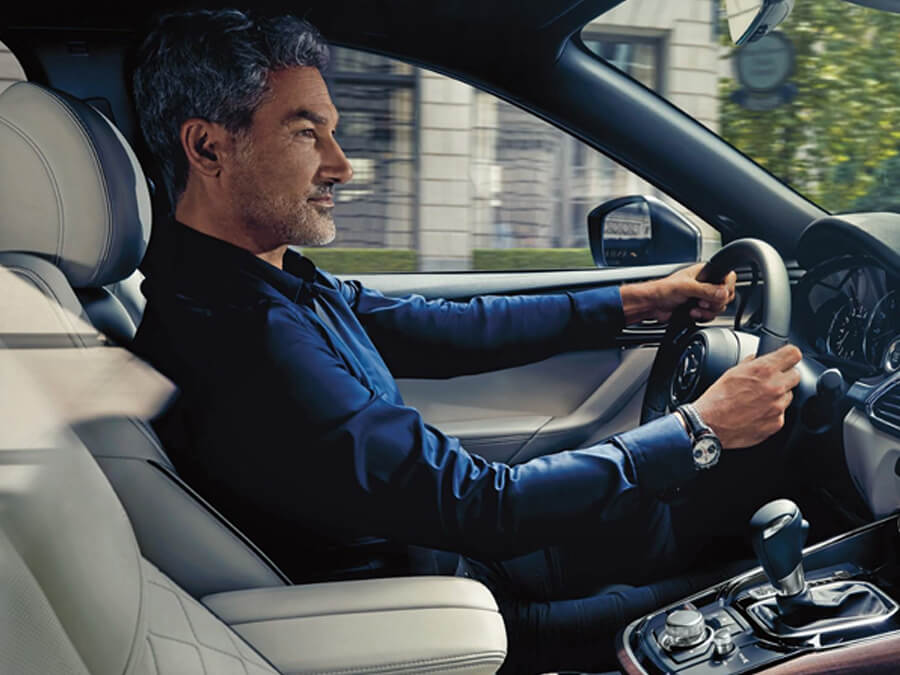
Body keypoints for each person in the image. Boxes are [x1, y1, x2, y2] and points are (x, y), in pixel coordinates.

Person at [131, 9, 802, 672]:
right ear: (208, 148)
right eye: (307, 133)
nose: (343, 166)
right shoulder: (241, 336)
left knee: (697, 545)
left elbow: (442, 329)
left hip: (446, 562)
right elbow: (480, 505)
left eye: (332, 132)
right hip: (430, 616)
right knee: (760, 596)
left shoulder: (259, 281)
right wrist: (698, 430)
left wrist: (637, 301)